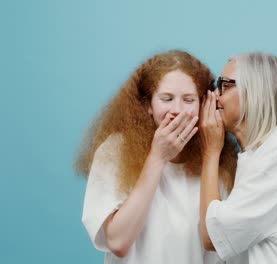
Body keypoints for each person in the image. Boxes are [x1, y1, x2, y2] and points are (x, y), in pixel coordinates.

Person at [75, 50, 238, 264]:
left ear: (203, 104)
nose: (177, 110)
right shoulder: (115, 150)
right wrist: (158, 157)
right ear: (147, 106)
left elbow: (226, 244)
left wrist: (212, 153)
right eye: (166, 99)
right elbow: (117, 242)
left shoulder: (219, 159)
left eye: (188, 100)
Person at [199, 52, 277, 263]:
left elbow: (212, 237)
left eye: (225, 85)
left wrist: (210, 152)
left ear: (254, 92)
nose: (216, 95)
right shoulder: (259, 154)